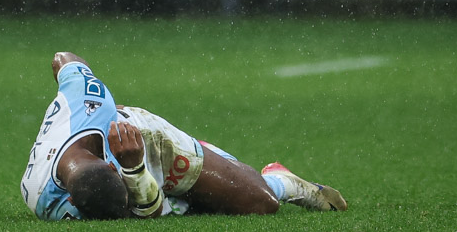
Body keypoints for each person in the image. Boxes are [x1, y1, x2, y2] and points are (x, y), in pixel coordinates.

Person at [21, 52, 348, 220]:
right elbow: (145, 215)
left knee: (260, 203)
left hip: (146, 141)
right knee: (190, 208)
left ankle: (280, 181)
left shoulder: (88, 100)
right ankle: (199, 176)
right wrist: (132, 175)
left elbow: (63, 59)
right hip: (132, 166)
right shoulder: (44, 199)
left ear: (106, 165)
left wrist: (134, 164)